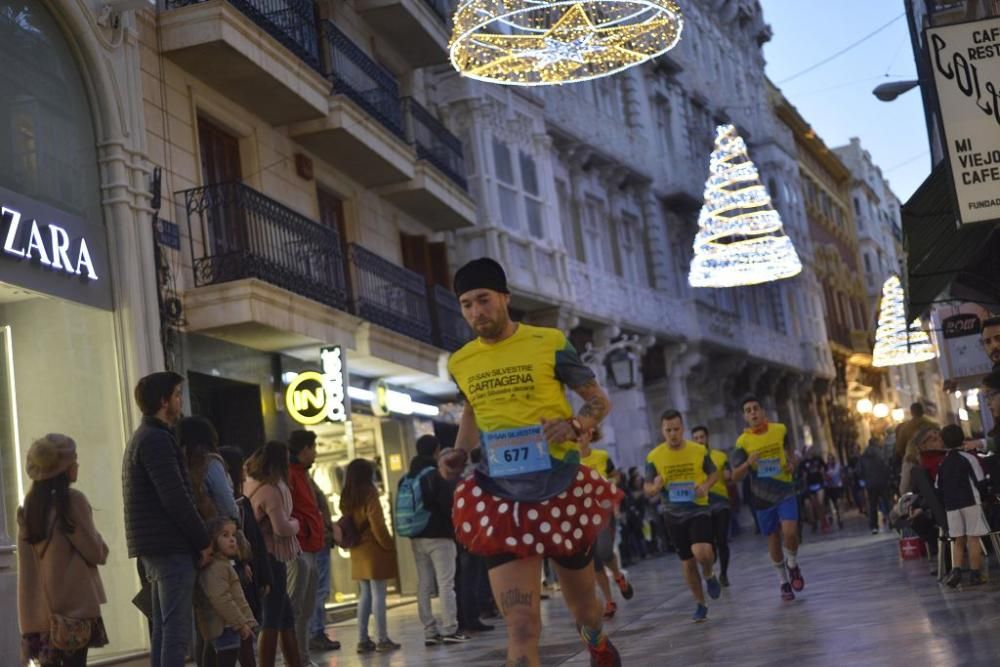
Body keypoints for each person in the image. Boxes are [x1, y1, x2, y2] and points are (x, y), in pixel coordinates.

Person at [447, 258, 622, 667]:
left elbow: (599, 400)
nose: (477, 312)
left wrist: (575, 423)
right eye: (467, 304)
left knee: (585, 610)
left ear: (505, 298)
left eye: (484, 300)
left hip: (560, 489)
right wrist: (458, 450)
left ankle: (596, 640)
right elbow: (473, 411)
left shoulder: (550, 342)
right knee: (522, 625)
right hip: (499, 497)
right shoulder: (460, 362)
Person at [122, 371, 211, 667]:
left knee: (163, 627)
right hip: (169, 547)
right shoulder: (156, 440)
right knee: (175, 632)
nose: (179, 401)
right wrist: (203, 540)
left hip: (156, 546)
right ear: (163, 401)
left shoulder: (145, 437)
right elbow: (175, 497)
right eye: (176, 395)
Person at [18, 434, 109, 667]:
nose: (77, 465)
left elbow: (27, 572)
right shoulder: (72, 502)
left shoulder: (29, 508)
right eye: (74, 460)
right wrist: (102, 545)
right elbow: (96, 552)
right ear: (63, 468)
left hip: (42, 618)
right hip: (73, 615)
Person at [645, 411, 720, 622]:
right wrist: (655, 487)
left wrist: (705, 485)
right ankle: (700, 603)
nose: (673, 434)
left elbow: (713, 473)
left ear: (683, 429)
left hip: (697, 508)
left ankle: (709, 573)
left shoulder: (698, 450)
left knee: (702, 552)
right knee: (687, 561)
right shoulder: (654, 456)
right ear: (662, 431)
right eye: (668, 430)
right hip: (672, 514)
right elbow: (647, 487)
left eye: (676, 429)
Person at [398, 434, 470, 646]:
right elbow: (447, 505)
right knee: (446, 582)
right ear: (436, 451)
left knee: (424, 583)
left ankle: (430, 630)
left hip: (416, 537)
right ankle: (449, 628)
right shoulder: (435, 475)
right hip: (439, 537)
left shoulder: (407, 477)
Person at [730, 396, 804, 602]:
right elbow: (735, 476)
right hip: (762, 497)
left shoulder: (780, 429)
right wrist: (748, 463)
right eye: (748, 410)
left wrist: (792, 463)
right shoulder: (742, 442)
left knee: (790, 531)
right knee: (773, 538)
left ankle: (792, 564)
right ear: (745, 417)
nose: (753, 413)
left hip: (785, 490)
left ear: (762, 412)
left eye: (755, 408)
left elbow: (792, 453)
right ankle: (783, 582)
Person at [244, 441, 302, 667]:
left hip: (259, 555)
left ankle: (294, 662)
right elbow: (281, 528)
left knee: (285, 616)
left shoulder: (250, 484)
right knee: (272, 618)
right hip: (272, 556)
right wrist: (296, 524)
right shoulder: (272, 490)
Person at [340, 458, 400, 653]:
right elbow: (377, 523)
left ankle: (363, 639)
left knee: (365, 595)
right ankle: (382, 638)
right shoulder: (369, 492)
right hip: (373, 548)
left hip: (357, 549)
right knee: (379, 595)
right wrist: (389, 544)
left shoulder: (346, 495)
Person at [578, 426, 634, 618]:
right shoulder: (568, 461)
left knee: (604, 551)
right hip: (581, 517)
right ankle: (609, 600)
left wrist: (610, 487)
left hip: (602, 512)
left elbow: (615, 475)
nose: (578, 439)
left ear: (588, 435)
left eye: (581, 434)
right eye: (574, 436)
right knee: (595, 563)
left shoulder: (601, 456)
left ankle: (618, 576)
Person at [285, 430, 327, 666]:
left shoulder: (302, 474)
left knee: (306, 608)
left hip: (311, 545)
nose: (316, 453)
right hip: (300, 548)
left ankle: (303, 657)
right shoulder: (291, 475)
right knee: (296, 607)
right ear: (304, 449)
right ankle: (295, 658)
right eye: (314, 447)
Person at [218, 446, 272, 627]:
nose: (244, 471)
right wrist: (242, 562)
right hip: (240, 571)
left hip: (250, 570)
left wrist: (264, 576)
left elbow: (256, 539)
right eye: (240, 467)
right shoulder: (229, 505)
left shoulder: (243, 501)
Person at [195, 517, 259, 667]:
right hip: (225, 627)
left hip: (231, 626)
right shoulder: (215, 568)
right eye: (225, 535)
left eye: (233, 535)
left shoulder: (224, 564)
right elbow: (221, 599)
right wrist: (241, 623)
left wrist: (247, 621)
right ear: (212, 540)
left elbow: (237, 597)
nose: (232, 540)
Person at [691, 425, 732, 587]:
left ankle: (724, 574)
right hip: (703, 505)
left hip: (721, 503)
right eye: (696, 438)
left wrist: (729, 474)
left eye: (702, 437)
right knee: (709, 542)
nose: (700, 440)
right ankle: (711, 569)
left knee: (722, 539)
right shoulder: (691, 460)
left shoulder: (720, 456)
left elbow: (729, 474)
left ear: (707, 438)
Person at [179, 416, 240, 522]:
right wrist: (236, 519)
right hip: (218, 528)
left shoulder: (180, 464)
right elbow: (226, 503)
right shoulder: (211, 463)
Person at [307, 470, 341, 653]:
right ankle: (316, 632)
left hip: (318, 539)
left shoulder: (304, 479)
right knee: (320, 590)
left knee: (318, 590)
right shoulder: (303, 481)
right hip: (317, 540)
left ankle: (315, 632)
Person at [857, 438, 893, 534]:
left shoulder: (863, 456)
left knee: (873, 505)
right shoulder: (881, 454)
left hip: (870, 484)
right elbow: (887, 467)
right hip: (882, 482)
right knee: (887, 503)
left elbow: (859, 471)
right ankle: (892, 522)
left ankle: (874, 526)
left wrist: (865, 479)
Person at [900, 427, 941, 497]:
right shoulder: (913, 463)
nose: (940, 442)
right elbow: (904, 490)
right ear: (923, 445)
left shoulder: (945, 457)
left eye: (940, 438)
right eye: (934, 440)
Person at [797, 450, 828, 533]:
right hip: (810, 486)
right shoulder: (803, 463)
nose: (809, 453)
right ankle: (820, 521)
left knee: (821, 503)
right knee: (816, 505)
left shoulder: (818, 459)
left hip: (819, 484)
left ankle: (824, 522)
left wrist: (823, 471)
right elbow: (799, 473)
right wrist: (803, 475)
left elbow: (825, 467)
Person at [823, 454, 844, 530]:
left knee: (838, 503)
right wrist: (826, 477)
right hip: (829, 488)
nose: (829, 461)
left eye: (831, 459)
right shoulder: (825, 468)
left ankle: (840, 519)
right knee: (830, 504)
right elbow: (823, 477)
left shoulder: (838, 466)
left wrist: (842, 481)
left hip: (837, 487)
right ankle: (830, 515)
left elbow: (842, 475)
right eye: (828, 459)